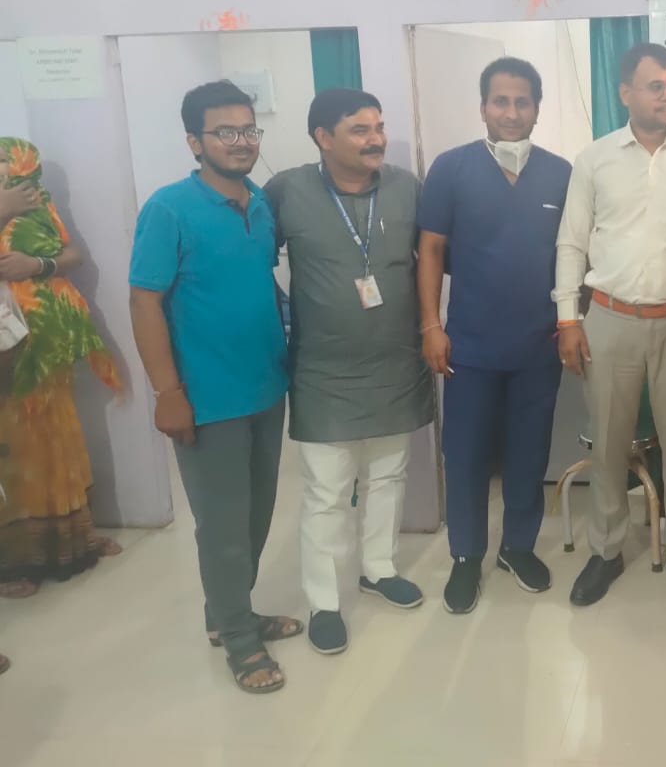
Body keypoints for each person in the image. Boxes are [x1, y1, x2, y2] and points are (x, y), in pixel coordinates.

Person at [129, 80, 298, 694]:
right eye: (225, 131)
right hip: (207, 398)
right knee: (223, 526)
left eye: (249, 129)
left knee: (255, 517)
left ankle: (226, 615)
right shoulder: (169, 208)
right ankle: (242, 644)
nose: (241, 141)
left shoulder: (259, 203)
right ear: (194, 141)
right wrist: (167, 392)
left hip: (265, 387)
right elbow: (145, 302)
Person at [264, 88, 432, 655]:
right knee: (327, 491)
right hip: (323, 369)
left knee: (388, 475)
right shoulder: (288, 191)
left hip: (395, 361)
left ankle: (378, 568)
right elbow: (252, 262)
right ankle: (324, 601)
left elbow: (430, 259)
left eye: (378, 127)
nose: (376, 138)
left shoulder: (407, 187)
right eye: (360, 129)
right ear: (323, 138)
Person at [555, 42, 666, 609]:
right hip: (610, 318)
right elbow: (572, 242)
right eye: (656, 86)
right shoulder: (594, 160)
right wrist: (568, 318)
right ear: (626, 92)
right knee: (608, 441)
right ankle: (606, 551)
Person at [418, 58, 570, 615]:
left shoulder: (559, 173)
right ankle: (466, 555)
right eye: (500, 101)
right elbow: (431, 249)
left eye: (522, 101)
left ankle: (517, 547)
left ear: (536, 108)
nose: (511, 112)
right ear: (483, 107)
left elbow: (573, 253)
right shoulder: (451, 169)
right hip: (471, 345)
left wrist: (570, 323)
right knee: (465, 454)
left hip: (538, 344)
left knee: (529, 451)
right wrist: (431, 325)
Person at [0, 138, 123, 599]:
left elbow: (73, 255)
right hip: (7, 356)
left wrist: (36, 263)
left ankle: (75, 538)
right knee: (15, 451)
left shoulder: (39, 205)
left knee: (59, 439)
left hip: (45, 343)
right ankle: (15, 559)